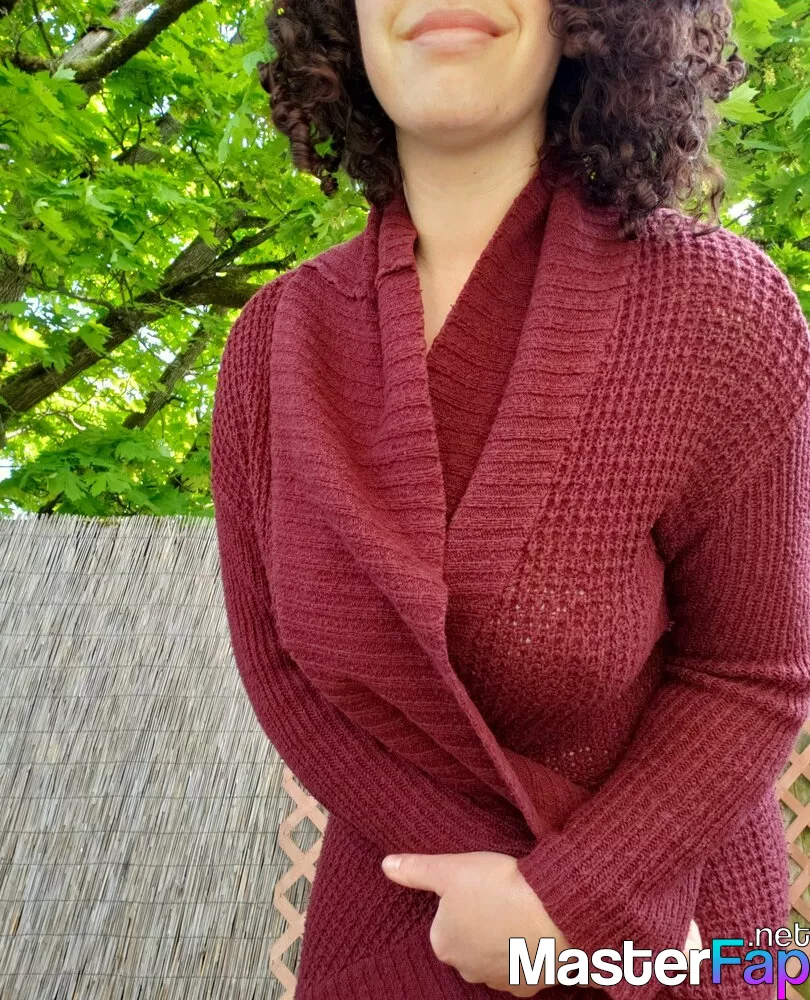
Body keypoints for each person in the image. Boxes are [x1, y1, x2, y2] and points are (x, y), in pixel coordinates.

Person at [210, 1, 810, 997]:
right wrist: (489, 889)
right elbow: (282, 674)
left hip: (677, 946)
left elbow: (754, 673)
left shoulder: (721, 311)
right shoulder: (272, 347)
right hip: (399, 932)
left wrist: (566, 903)